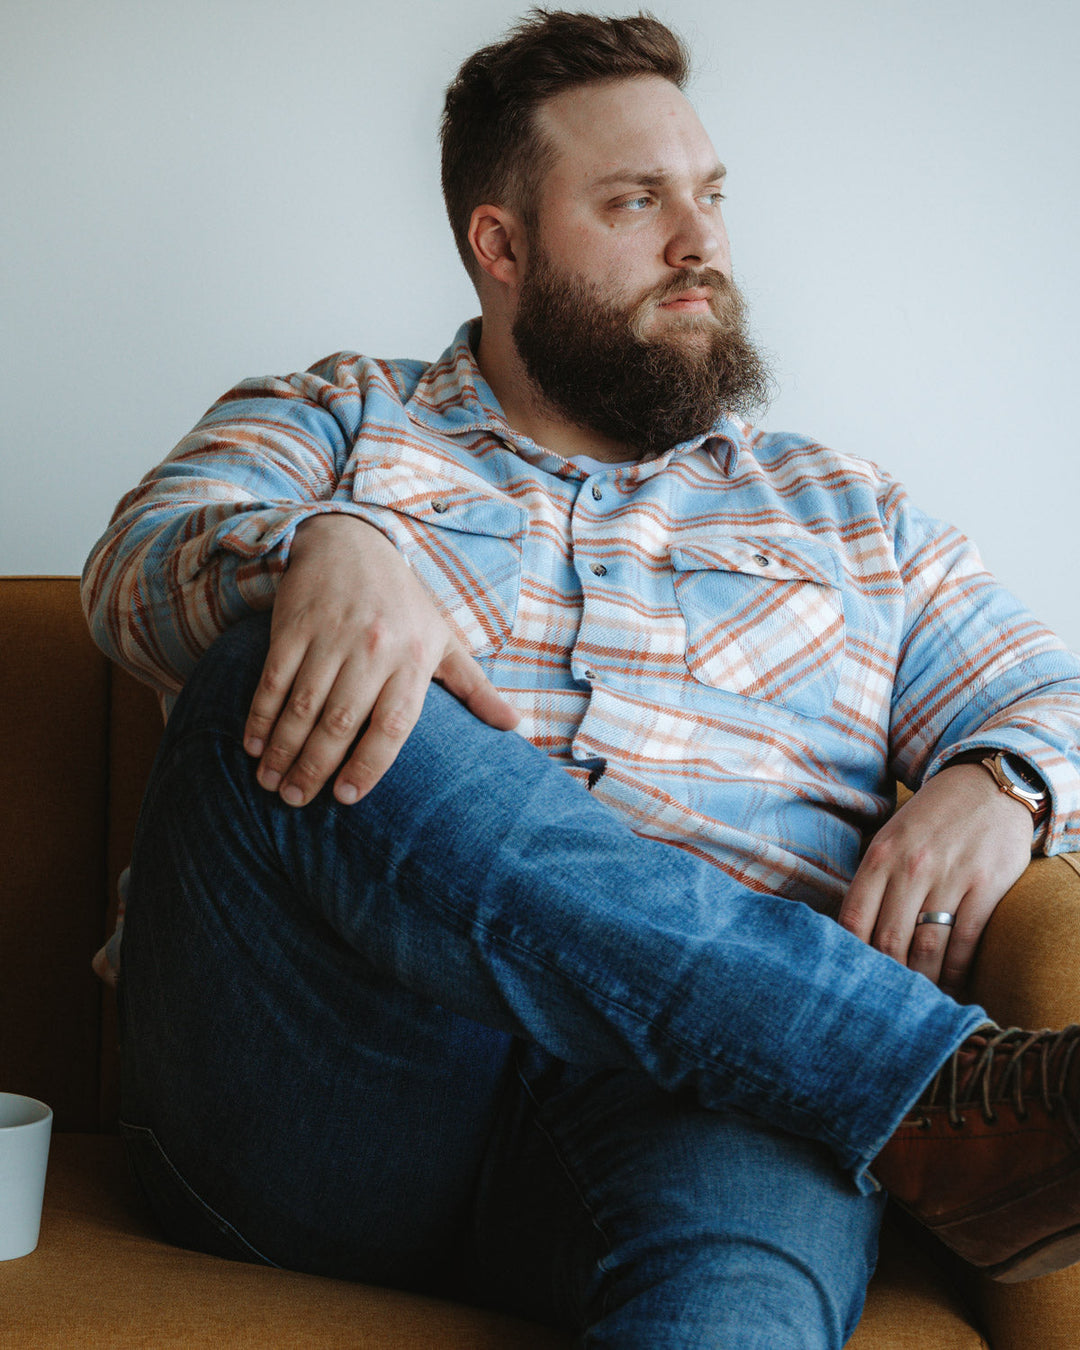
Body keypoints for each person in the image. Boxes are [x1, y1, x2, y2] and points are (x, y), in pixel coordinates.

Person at [82, 10, 1080, 1348]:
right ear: (502, 244)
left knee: (728, 1308)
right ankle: (924, 1085)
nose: (701, 241)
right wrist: (320, 546)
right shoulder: (336, 418)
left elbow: (1053, 700)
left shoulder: (848, 515)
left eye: (711, 195)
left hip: (699, 1110)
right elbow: (133, 570)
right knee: (278, 650)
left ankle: (861, 1076)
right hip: (325, 1086)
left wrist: (1008, 779)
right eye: (636, 201)